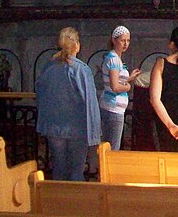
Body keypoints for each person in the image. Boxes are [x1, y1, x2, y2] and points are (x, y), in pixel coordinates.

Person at [36, 27, 101, 180]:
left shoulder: (48, 67)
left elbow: (40, 94)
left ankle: (58, 201)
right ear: (77, 45)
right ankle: (75, 202)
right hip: (77, 129)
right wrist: (95, 132)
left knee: (58, 169)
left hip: (53, 127)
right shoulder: (81, 70)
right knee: (76, 171)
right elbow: (90, 103)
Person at [99, 25, 141, 151]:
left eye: (128, 41)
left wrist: (129, 78)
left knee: (110, 145)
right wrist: (128, 87)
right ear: (114, 40)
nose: (126, 44)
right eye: (123, 40)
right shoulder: (114, 60)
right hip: (113, 108)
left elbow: (115, 80)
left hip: (113, 107)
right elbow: (115, 86)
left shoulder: (115, 58)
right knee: (113, 147)